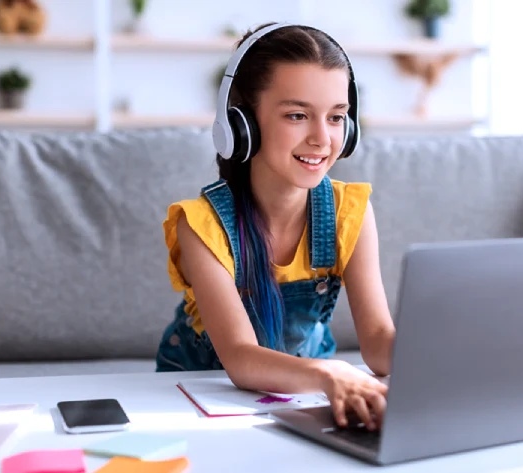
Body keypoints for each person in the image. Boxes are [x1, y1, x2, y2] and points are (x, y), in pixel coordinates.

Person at [155, 22, 396, 431]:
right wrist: (329, 373)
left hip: (305, 395)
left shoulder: (349, 212)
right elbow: (241, 356)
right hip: (203, 398)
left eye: (337, 117)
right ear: (242, 125)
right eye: (298, 115)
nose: (323, 138)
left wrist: (443, 356)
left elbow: (376, 341)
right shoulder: (202, 224)